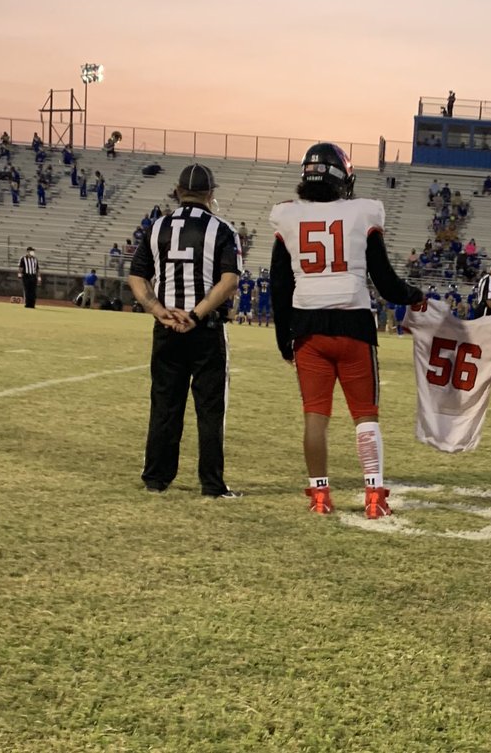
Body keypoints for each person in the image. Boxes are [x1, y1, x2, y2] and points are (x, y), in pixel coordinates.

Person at [269, 143, 423, 518]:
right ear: (344, 179)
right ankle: (373, 497)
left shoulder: (288, 216)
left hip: (308, 326)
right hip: (353, 323)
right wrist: (414, 295)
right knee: (365, 415)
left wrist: (284, 339)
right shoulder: (362, 212)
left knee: (315, 416)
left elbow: (279, 286)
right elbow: (385, 281)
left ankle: (320, 497)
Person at [127, 163, 243, 499]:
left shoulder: (157, 226)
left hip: (166, 328)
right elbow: (230, 280)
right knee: (209, 408)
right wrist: (195, 314)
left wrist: (157, 309)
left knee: (164, 402)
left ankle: (156, 478)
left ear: (178, 191)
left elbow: (136, 276)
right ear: (211, 194)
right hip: (204, 328)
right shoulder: (221, 229)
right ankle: (211, 484)